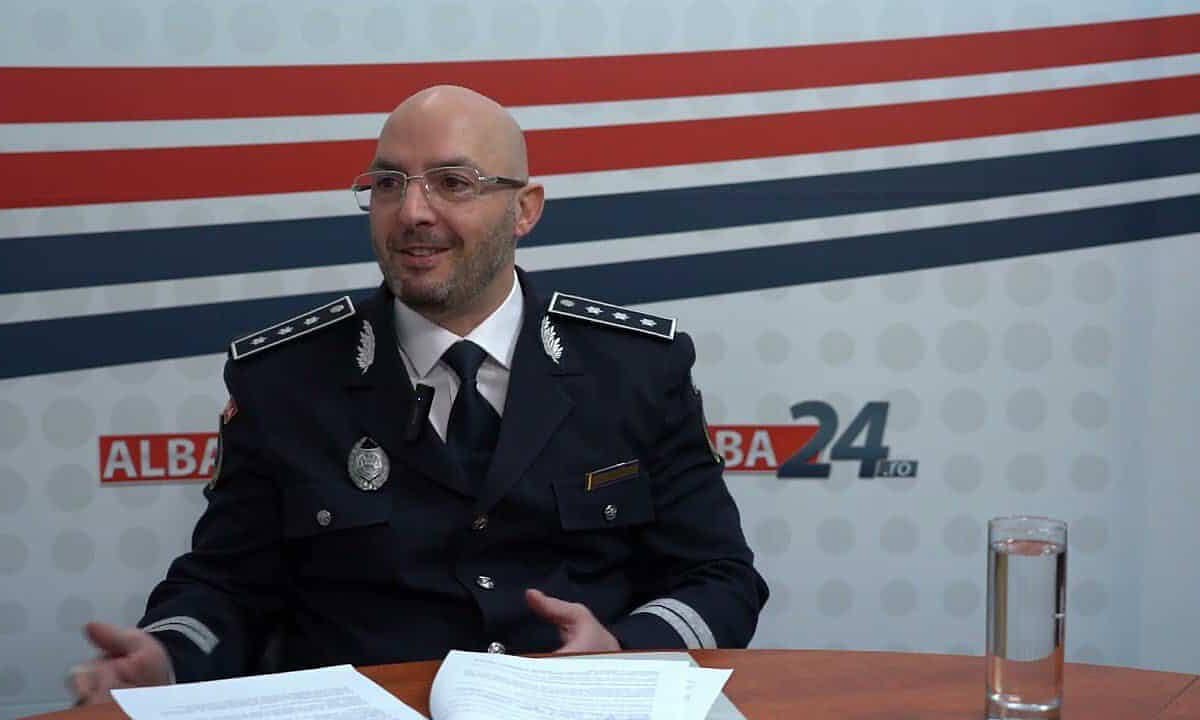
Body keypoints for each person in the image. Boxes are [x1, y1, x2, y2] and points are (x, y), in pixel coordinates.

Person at [70, 85, 768, 703]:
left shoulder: (634, 368)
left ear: (524, 210)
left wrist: (624, 651)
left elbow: (719, 576)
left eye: (452, 183)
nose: (411, 212)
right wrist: (167, 657)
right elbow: (227, 584)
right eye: (387, 184)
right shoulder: (284, 379)